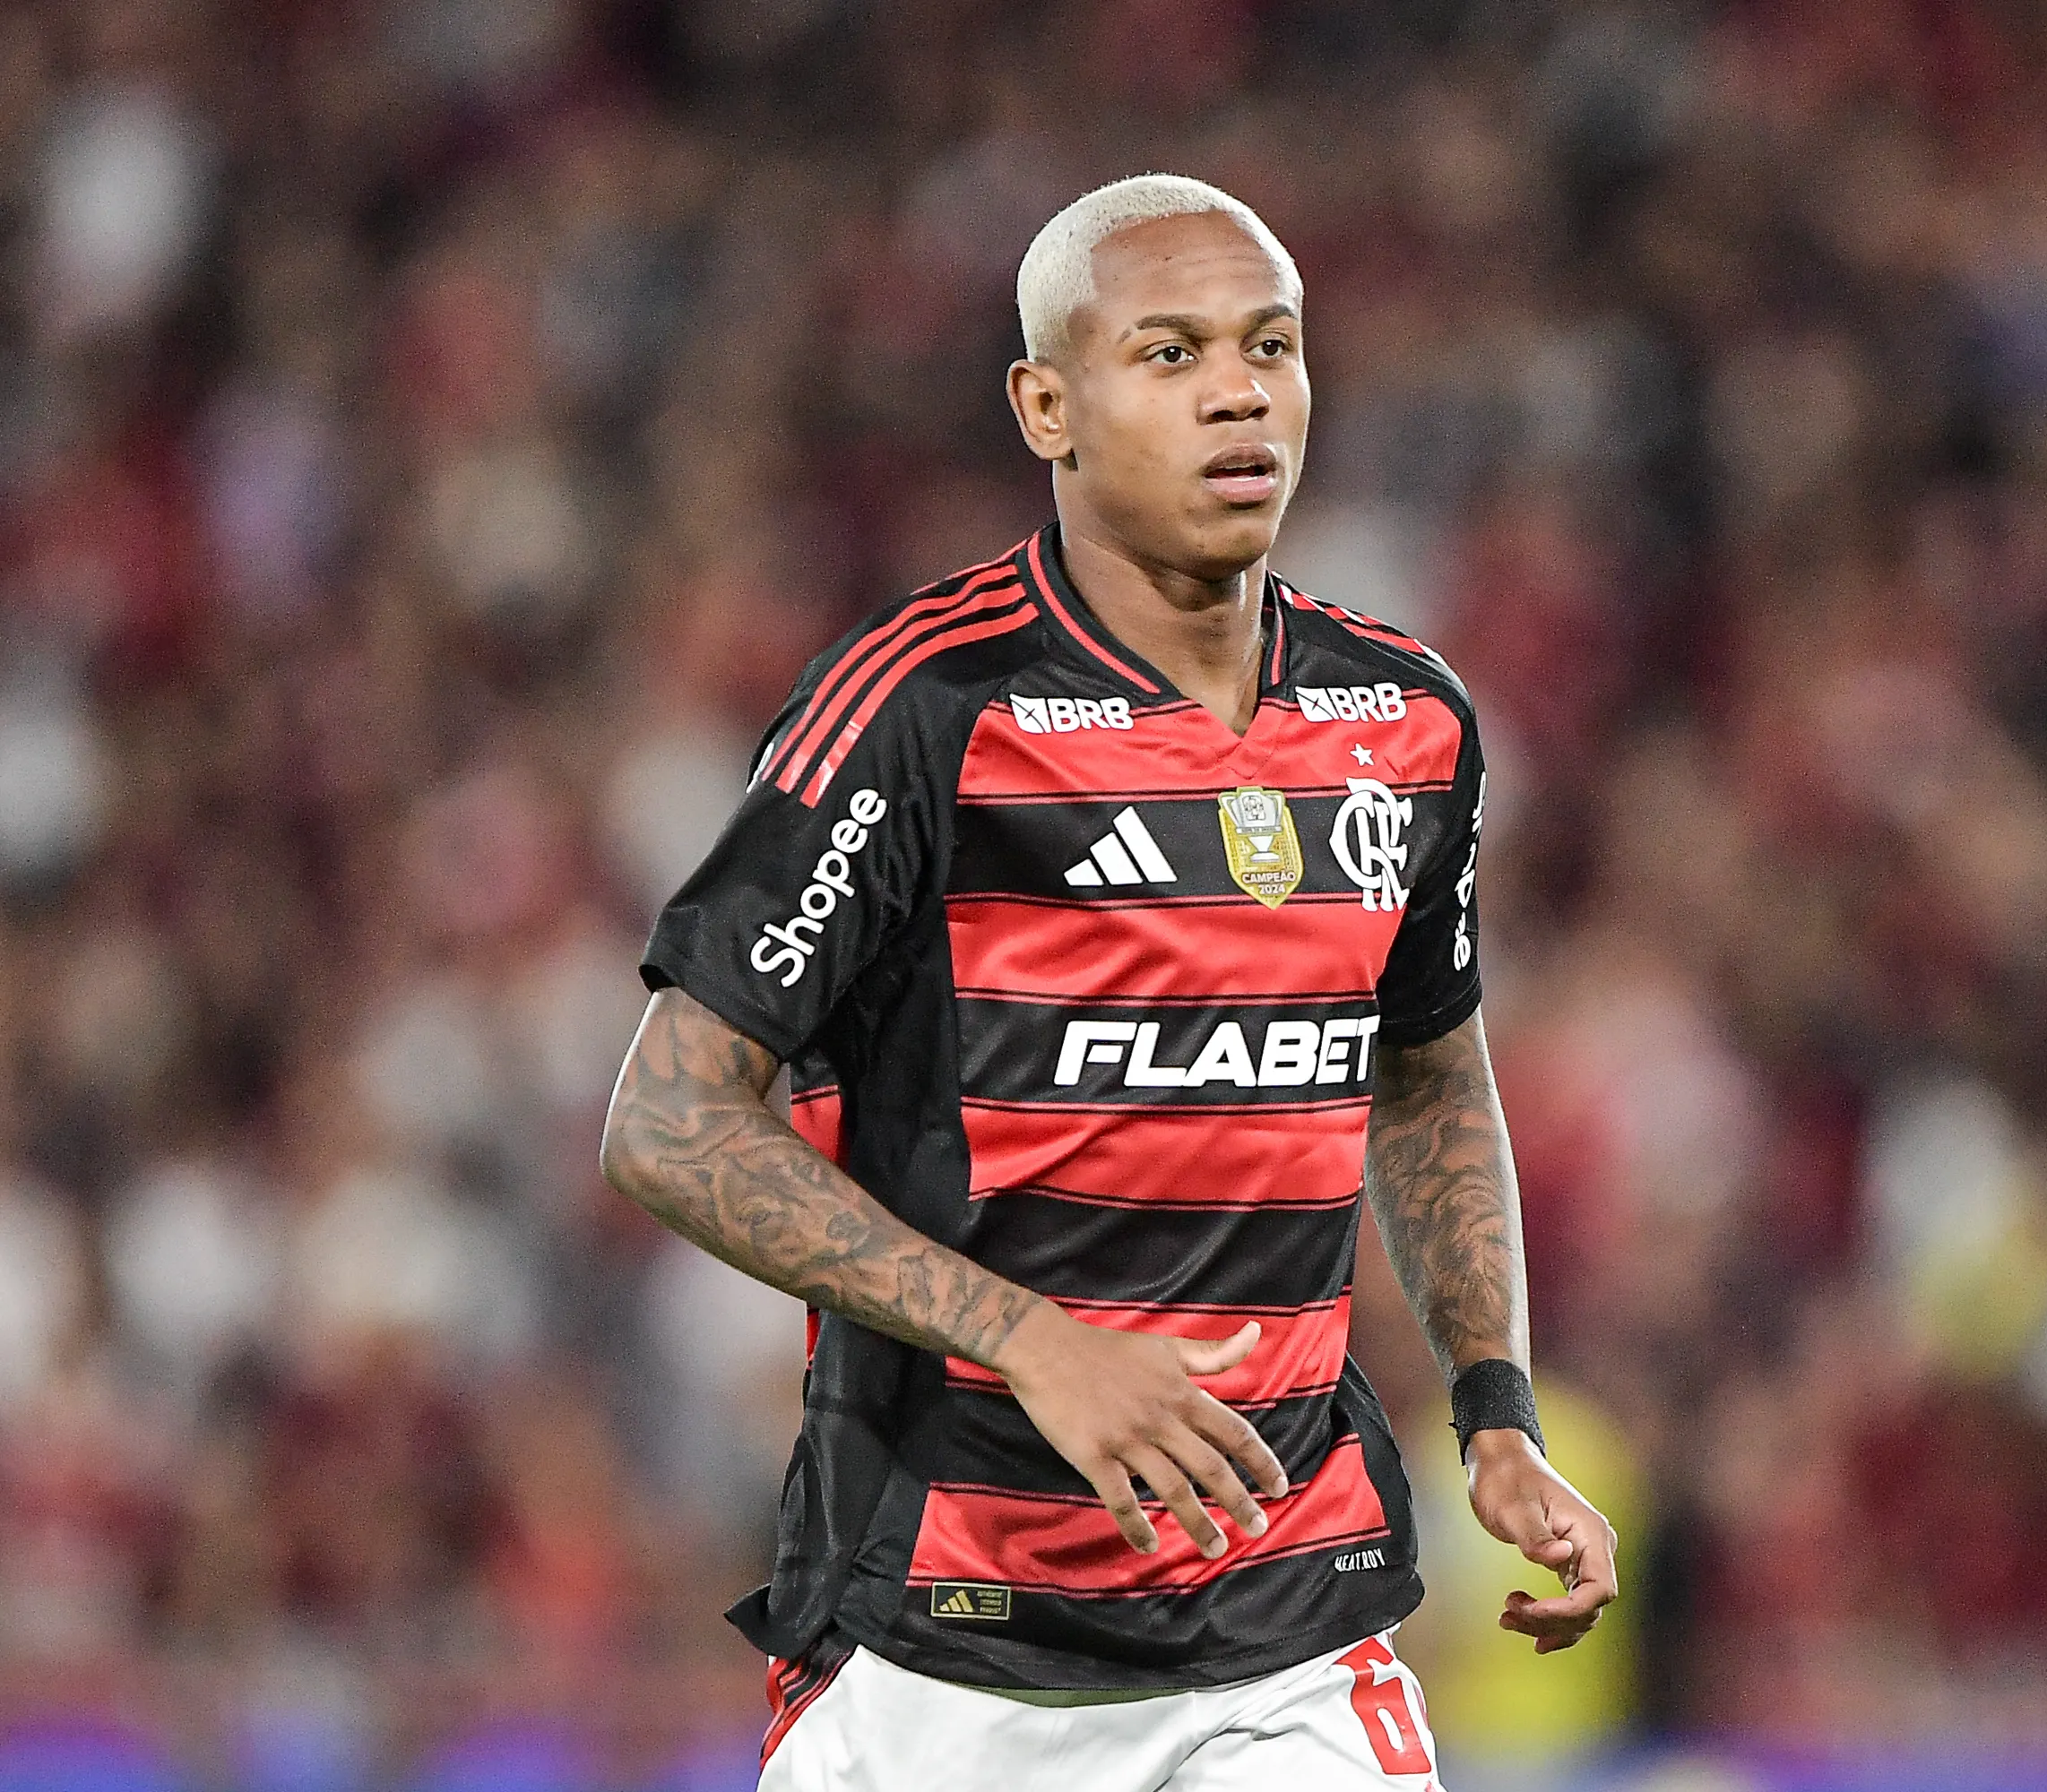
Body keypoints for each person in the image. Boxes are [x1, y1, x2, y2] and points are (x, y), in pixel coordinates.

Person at [600, 174, 1618, 1792]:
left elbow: (1430, 1072)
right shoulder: (928, 707)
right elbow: (665, 1120)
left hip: (1285, 1630)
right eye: (1170, 351)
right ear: (1046, 406)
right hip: (946, 1640)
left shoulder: (1406, 721)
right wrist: (1030, 1339)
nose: (1238, 390)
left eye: (1271, 347)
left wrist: (1496, 1409)